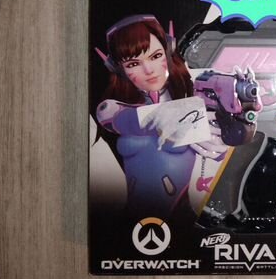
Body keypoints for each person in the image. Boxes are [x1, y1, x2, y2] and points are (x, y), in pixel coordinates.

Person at [95, 14, 258, 218]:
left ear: (168, 51)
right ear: (119, 69)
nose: (149, 69)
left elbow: (215, 154)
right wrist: (173, 117)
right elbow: (111, 116)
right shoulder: (116, 108)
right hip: (138, 217)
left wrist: (224, 134)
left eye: (155, 56)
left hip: (183, 213)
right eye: (133, 64)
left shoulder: (193, 101)